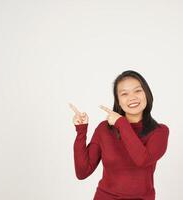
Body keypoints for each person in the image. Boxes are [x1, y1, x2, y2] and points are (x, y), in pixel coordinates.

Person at [69, 70, 169, 200]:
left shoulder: (159, 132)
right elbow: (82, 172)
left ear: (147, 94)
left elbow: (142, 160)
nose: (132, 97)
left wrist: (121, 122)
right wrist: (81, 131)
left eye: (137, 91)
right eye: (124, 94)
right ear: (118, 101)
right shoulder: (104, 129)